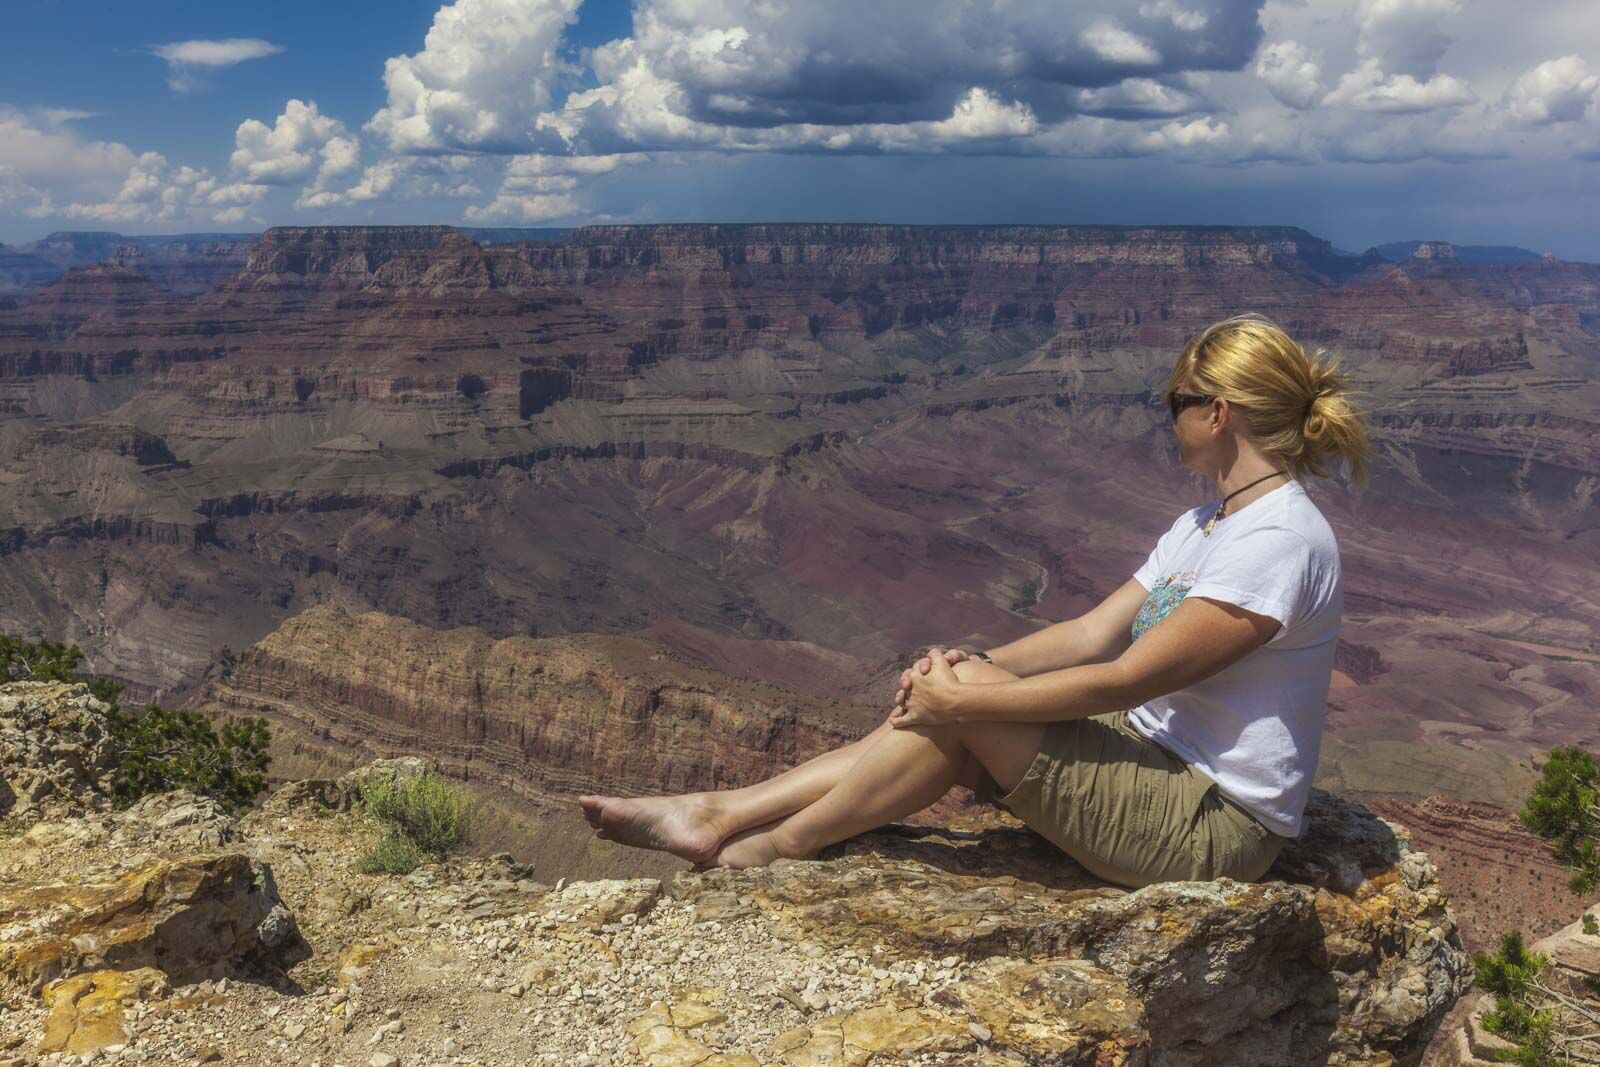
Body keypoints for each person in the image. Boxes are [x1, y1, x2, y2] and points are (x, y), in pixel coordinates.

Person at [579, 313, 1374, 886]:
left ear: (1217, 412)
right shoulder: (1208, 520)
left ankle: (776, 847)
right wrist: (975, 661)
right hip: (1154, 759)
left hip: (1212, 824)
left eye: (1174, 401)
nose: (1166, 418)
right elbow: (1094, 630)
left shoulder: (1279, 541)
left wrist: (961, 701)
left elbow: (1131, 677)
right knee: (965, 692)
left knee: (966, 709)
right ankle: (720, 813)